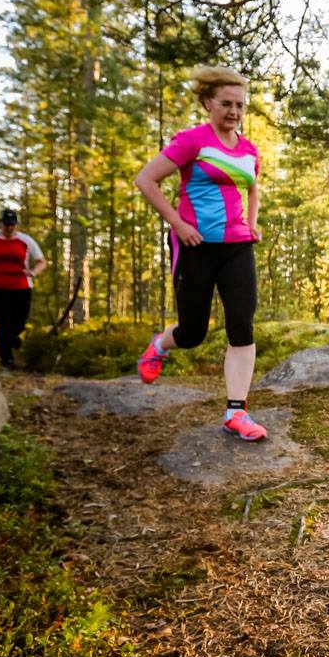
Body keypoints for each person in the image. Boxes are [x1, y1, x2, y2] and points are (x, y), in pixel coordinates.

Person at [132, 66, 266, 440]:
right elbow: (146, 179)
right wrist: (178, 223)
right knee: (193, 333)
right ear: (208, 102)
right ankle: (160, 344)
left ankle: (236, 413)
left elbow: (253, 188)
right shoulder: (192, 141)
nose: (234, 112)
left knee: (242, 325)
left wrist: (253, 223)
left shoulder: (249, 149)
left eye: (240, 105)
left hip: (237, 246)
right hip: (195, 246)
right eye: (226, 104)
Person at [0, 209, 46, 369]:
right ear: (0, 224)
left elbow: (41, 261)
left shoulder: (26, 240)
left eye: (12, 224)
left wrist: (34, 272)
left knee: (19, 322)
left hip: (21, 286)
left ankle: (13, 338)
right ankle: (6, 358)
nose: (9, 228)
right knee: (4, 322)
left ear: (16, 225)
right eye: (6, 224)